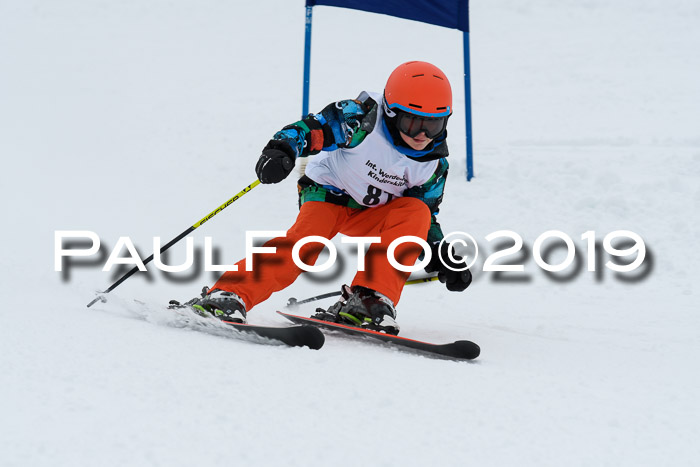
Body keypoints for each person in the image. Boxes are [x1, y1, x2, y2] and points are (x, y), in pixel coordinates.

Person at [184, 61, 472, 335]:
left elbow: (425, 216)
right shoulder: (360, 119)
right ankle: (228, 294)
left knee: (417, 211)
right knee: (306, 244)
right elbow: (312, 129)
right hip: (329, 196)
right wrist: (283, 149)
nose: (422, 134)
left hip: (375, 213)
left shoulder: (433, 165)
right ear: (392, 112)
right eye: (412, 123)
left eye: (433, 125)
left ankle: (369, 299)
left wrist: (439, 252)